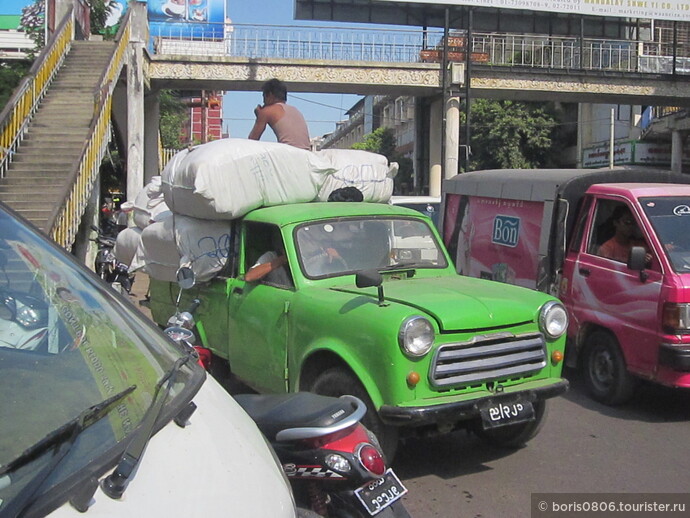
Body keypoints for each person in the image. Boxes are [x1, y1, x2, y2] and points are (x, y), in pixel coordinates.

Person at [248, 79, 310, 150]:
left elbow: (252, 140)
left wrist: (259, 117)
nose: (263, 101)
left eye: (264, 97)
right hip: (307, 154)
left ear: (270, 95)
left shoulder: (266, 111)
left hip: (289, 154)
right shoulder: (295, 110)